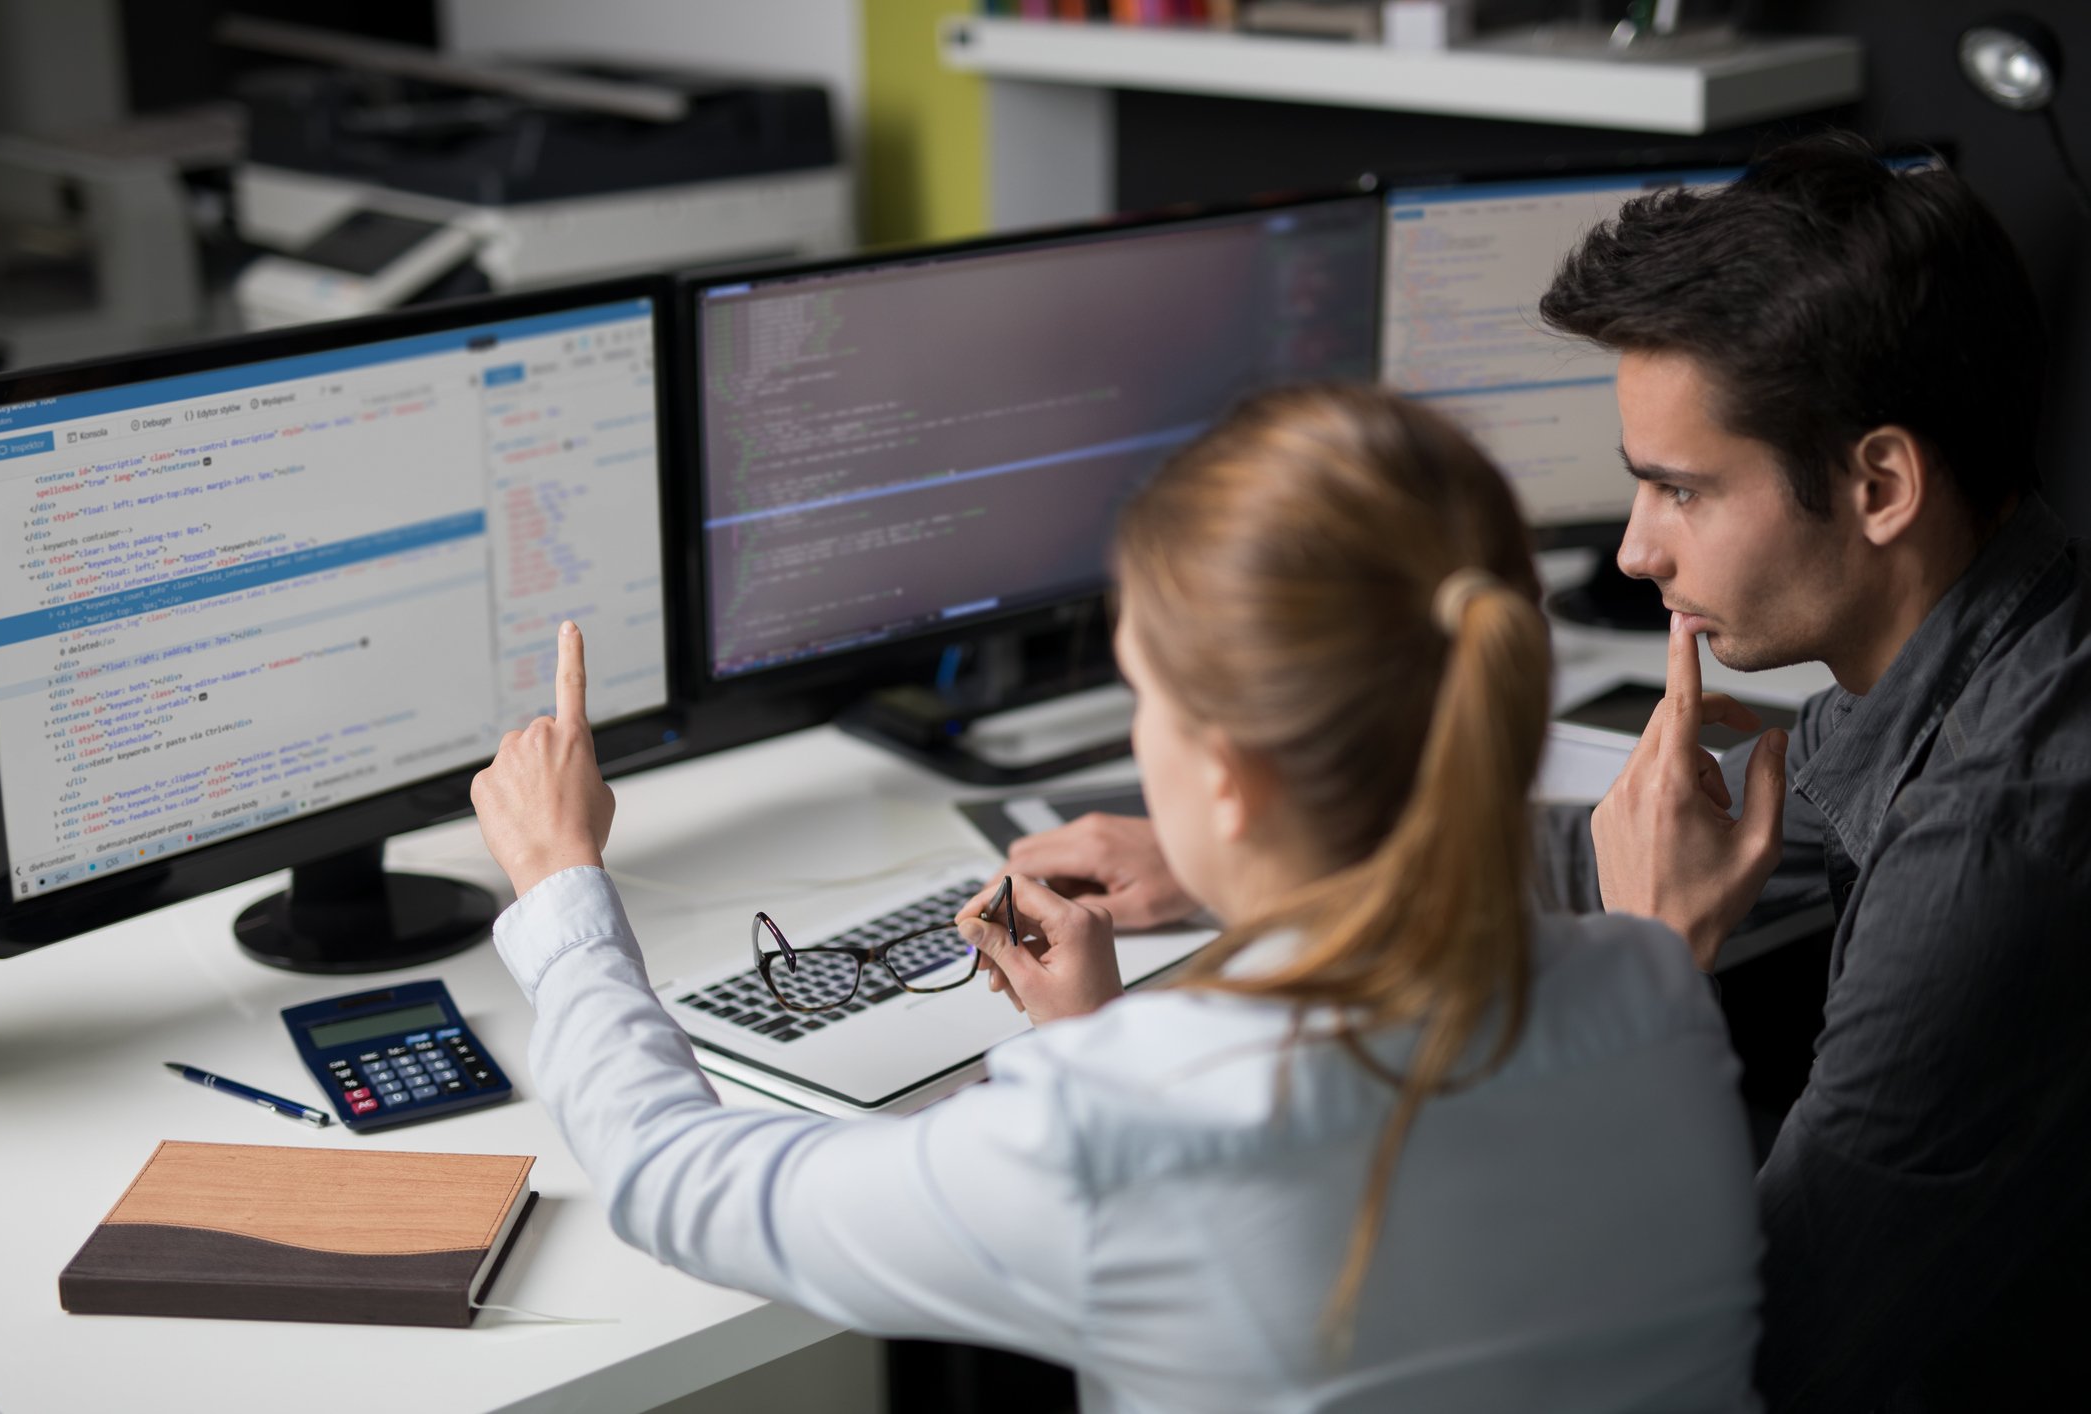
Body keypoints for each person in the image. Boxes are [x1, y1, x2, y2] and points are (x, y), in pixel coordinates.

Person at [1013, 134, 2091, 1412]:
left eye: (1680, 491)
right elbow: (1641, 833)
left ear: (1880, 483)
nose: (1635, 552)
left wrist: (1648, 963)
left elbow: (1751, 1362)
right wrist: (1253, 853)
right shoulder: (1987, 639)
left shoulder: (1994, 846)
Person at [470, 385, 1764, 1413]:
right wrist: (1096, 1043)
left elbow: (670, 1179)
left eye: (1143, 694)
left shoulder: (1125, 1124)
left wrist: (559, 876)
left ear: (1223, 773)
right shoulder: (1654, 984)